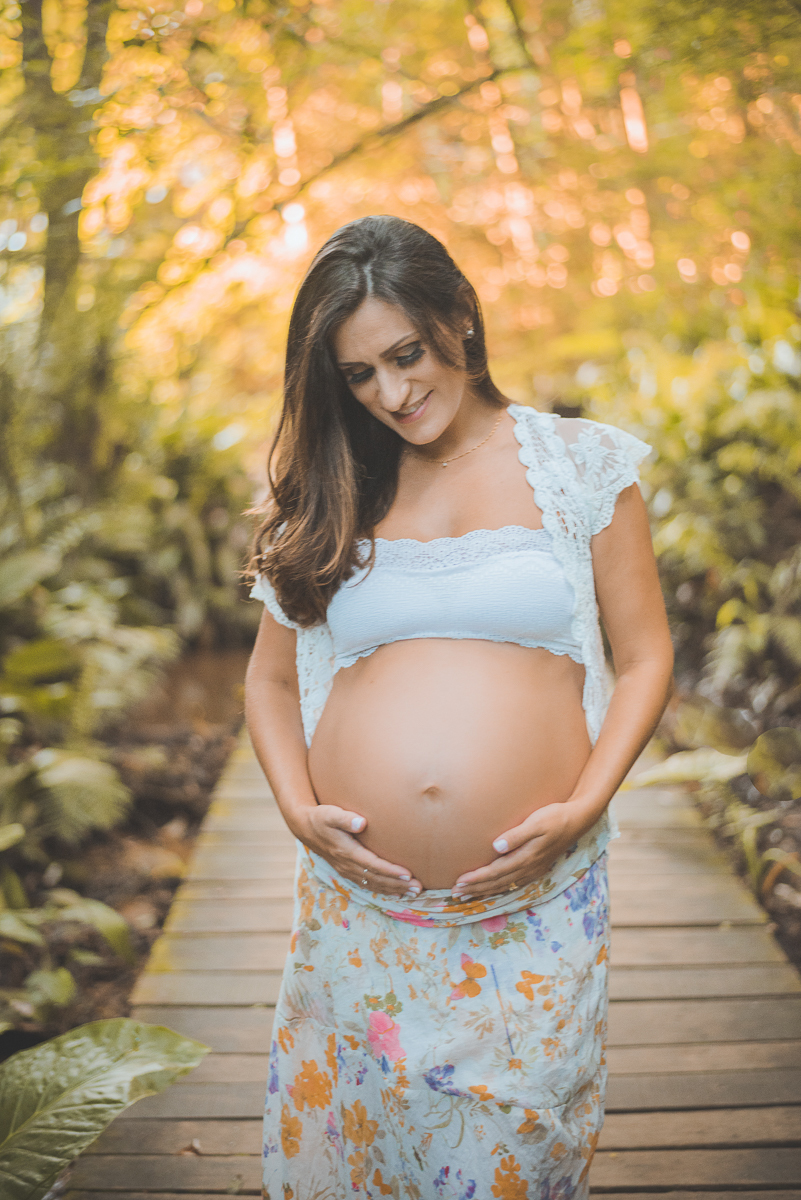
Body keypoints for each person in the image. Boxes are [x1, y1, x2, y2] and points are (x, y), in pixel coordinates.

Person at [245, 215, 674, 1200]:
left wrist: (584, 807)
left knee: (511, 1161)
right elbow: (267, 682)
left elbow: (646, 658)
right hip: (360, 917)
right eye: (359, 376)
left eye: (406, 355)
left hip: (529, 908)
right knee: (361, 1158)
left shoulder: (582, 466)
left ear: (461, 322)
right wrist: (297, 811)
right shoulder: (330, 486)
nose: (393, 394)